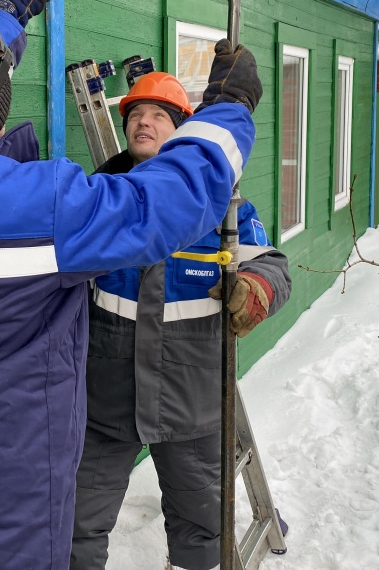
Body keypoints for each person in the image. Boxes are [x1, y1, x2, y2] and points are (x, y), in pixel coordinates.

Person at [0, 0, 263, 570]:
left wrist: (9, 10)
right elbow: (170, 200)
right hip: (2, 510)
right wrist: (229, 106)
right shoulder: (44, 210)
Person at [69, 72, 292, 570]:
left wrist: (256, 289)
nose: (143, 123)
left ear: (185, 132)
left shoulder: (225, 210)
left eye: (159, 116)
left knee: (202, 530)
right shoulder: (98, 198)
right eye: (135, 115)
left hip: (189, 399)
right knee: (76, 524)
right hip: (106, 397)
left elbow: (273, 266)